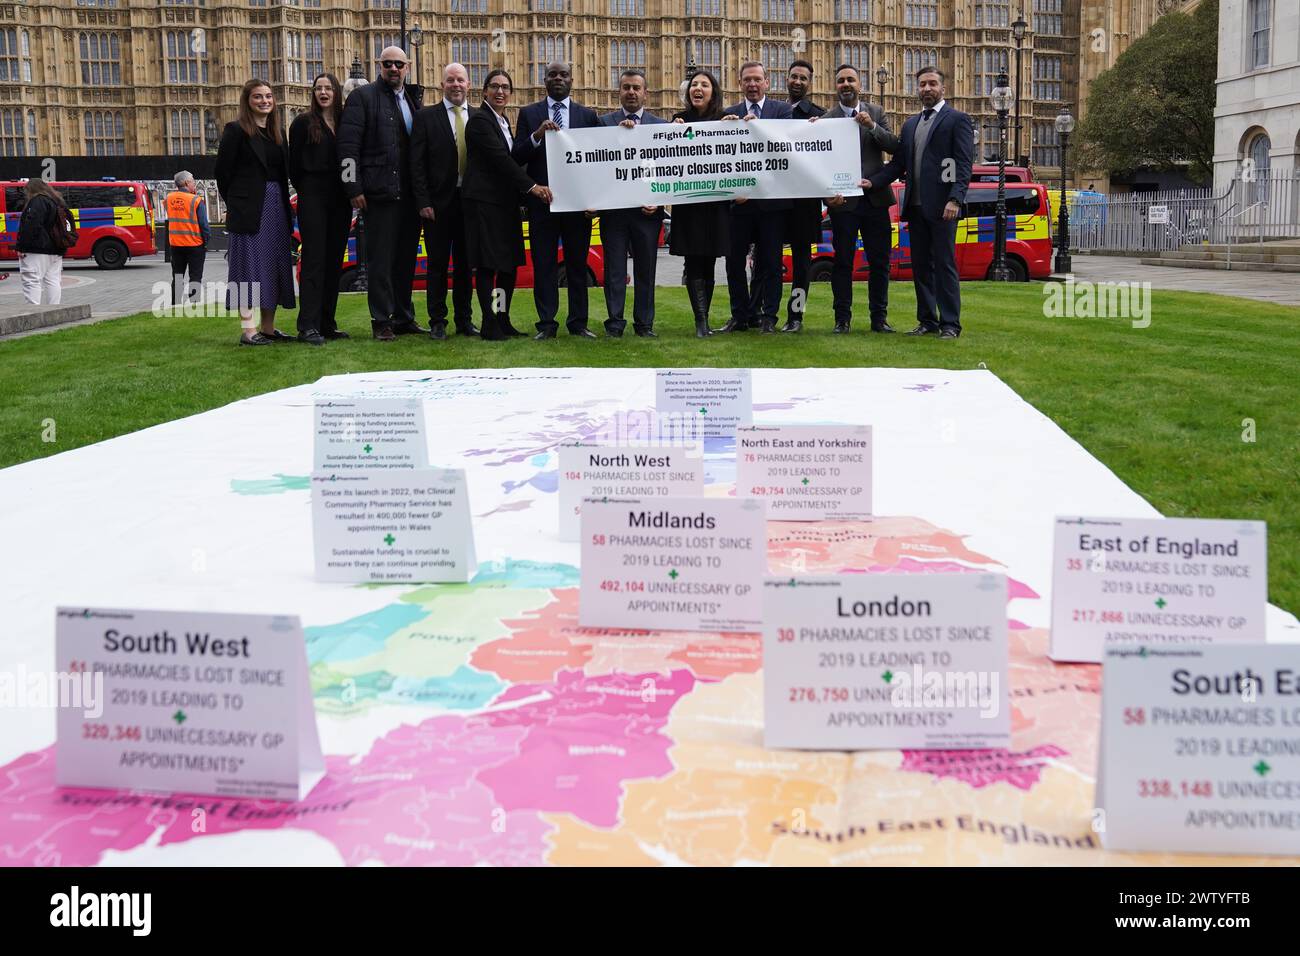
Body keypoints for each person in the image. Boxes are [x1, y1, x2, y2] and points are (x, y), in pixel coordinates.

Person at [867, 66, 973, 338]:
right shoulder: (911, 124)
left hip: (943, 207)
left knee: (945, 264)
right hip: (915, 207)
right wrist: (874, 182)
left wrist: (955, 199)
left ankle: (950, 323)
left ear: (943, 88)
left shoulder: (957, 119)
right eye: (922, 84)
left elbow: (963, 164)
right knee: (921, 266)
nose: (926, 89)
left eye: (932, 84)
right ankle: (927, 321)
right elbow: (899, 164)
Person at [337, 46, 423, 342]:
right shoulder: (362, 98)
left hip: (409, 196)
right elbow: (347, 148)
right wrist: (353, 188)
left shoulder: (412, 99)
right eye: (388, 64)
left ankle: (403, 316)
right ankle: (381, 320)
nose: (394, 69)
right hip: (378, 193)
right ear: (380, 66)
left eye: (399, 64)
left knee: (404, 260)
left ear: (407, 66)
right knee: (381, 261)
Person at [461, 68, 554, 340]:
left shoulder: (502, 122)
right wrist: (532, 186)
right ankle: (489, 322)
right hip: (485, 202)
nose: (500, 91)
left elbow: (512, 156)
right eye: (495, 86)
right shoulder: (479, 121)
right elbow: (501, 161)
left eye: (505, 87)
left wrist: (535, 136)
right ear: (484, 91)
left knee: (508, 266)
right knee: (489, 266)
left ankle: (502, 319)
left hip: (505, 204)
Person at [511, 61, 600, 340]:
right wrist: (536, 136)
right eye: (553, 75)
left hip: (576, 207)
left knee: (576, 265)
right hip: (543, 205)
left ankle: (578, 323)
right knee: (545, 265)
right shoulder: (529, 114)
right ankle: (547, 324)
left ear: (572, 80)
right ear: (544, 80)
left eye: (563, 75)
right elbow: (516, 157)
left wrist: (594, 198)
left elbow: (598, 160)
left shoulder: (587, 116)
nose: (558, 78)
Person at [214, 78, 296, 346]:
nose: (265, 101)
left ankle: (269, 328)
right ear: (247, 101)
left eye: (269, 96)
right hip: (249, 209)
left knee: (273, 264)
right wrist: (237, 203)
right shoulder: (236, 130)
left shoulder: (277, 134)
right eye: (258, 97)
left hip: (276, 206)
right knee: (247, 267)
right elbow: (222, 174)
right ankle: (249, 330)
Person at [824, 63, 900, 334]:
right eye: (841, 80)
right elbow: (819, 164)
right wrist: (826, 196)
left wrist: (872, 127)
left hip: (875, 199)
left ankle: (878, 319)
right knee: (843, 263)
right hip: (843, 204)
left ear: (860, 84)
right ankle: (842, 320)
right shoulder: (826, 119)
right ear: (836, 86)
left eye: (851, 80)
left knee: (879, 263)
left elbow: (894, 147)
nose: (846, 84)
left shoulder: (877, 112)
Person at [720, 61, 794, 334]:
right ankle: (740, 315)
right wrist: (722, 129)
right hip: (739, 202)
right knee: (734, 263)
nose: (752, 84)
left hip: (772, 203)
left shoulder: (782, 111)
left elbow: (786, 146)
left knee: (772, 263)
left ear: (767, 83)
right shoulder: (729, 114)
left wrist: (759, 127)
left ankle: (768, 316)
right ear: (740, 84)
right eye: (747, 80)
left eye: (756, 79)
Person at [411, 63, 479, 341]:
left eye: (460, 80)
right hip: (437, 205)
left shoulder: (478, 117)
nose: (456, 85)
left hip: (470, 203)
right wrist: (423, 201)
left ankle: (465, 320)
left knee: (466, 265)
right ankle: (437, 320)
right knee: (437, 266)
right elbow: (416, 164)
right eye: (450, 80)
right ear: (442, 85)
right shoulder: (426, 117)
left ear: (468, 85)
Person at [598, 69, 667, 338]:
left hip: (646, 214)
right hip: (614, 213)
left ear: (645, 93)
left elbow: (668, 170)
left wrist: (659, 201)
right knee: (614, 271)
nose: (631, 92)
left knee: (645, 271)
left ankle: (644, 324)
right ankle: (615, 322)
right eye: (626, 87)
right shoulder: (603, 124)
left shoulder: (660, 126)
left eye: (636, 88)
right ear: (619, 92)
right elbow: (596, 167)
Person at [289, 73, 352, 345]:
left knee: (334, 261)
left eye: (328, 88)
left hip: (340, 198)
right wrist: (307, 190)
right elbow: (293, 166)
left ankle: (327, 322)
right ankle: (307, 325)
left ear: (336, 92)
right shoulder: (303, 123)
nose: (323, 92)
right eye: (318, 88)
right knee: (314, 261)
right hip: (313, 196)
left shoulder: (345, 122)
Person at [669, 70, 730, 338]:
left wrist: (738, 128)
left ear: (713, 91)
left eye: (704, 85)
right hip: (690, 204)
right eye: (694, 84)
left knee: (709, 262)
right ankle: (700, 321)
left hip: (715, 205)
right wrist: (672, 134)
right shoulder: (678, 121)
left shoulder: (725, 120)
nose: (699, 88)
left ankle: (704, 318)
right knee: (693, 261)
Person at [780, 59, 824, 333]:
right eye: (793, 76)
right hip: (775, 199)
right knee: (767, 260)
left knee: (802, 265)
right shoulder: (772, 112)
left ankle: (796, 316)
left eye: (803, 78)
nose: (797, 82)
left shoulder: (819, 116)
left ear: (810, 83)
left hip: (804, 203)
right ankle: (764, 312)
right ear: (787, 79)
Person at [14, 178, 75, 306]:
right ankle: (54, 309)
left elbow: (31, 225)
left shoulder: (37, 201)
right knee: (53, 280)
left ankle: (33, 312)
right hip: (56, 248)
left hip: (37, 249)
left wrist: (21, 246)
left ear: (31, 190)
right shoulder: (57, 201)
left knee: (31, 280)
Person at [164, 170, 210, 307]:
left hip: (176, 245)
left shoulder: (169, 198)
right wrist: (206, 241)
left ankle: (175, 304)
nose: (194, 183)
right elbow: (204, 225)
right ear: (186, 183)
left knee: (177, 276)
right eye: (193, 180)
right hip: (195, 244)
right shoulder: (196, 200)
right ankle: (194, 304)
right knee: (195, 276)